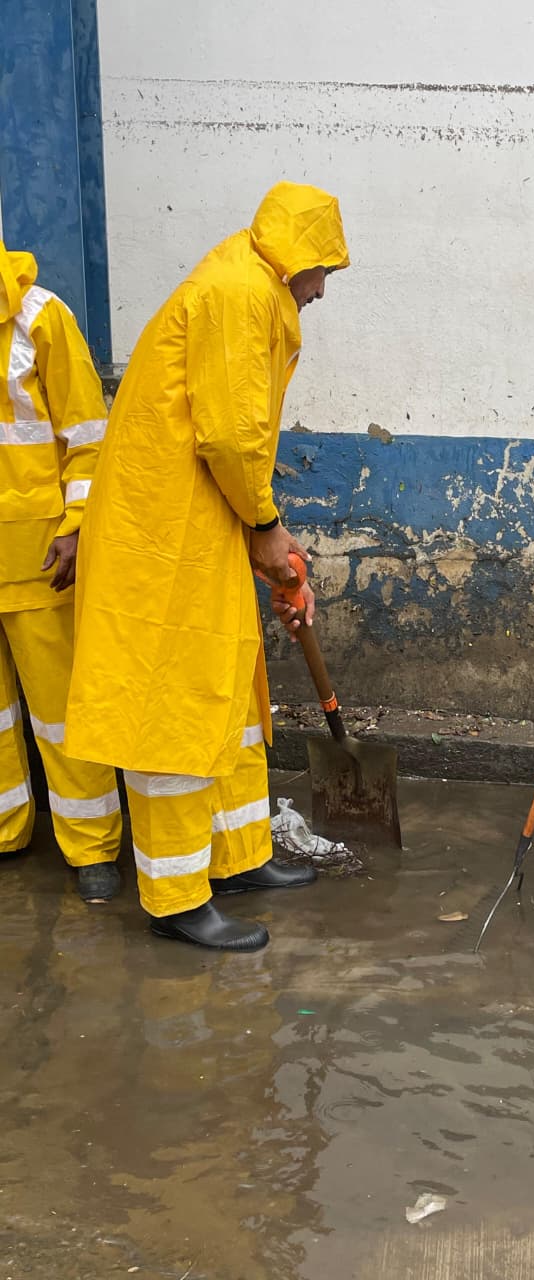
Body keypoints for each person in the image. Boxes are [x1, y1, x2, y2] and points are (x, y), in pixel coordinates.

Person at [65, 182, 350, 951]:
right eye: (324, 270)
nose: (323, 289)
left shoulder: (247, 285)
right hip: (166, 535)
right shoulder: (235, 292)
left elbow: (234, 440)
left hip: (199, 521)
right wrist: (264, 523)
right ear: (296, 258)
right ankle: (176, 897)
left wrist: (269, 543)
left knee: (227, 683)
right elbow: (230, 436)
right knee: (177, 704)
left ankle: (237, 853)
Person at [0, 240, 122, 899]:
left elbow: (87, 436)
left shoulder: (42, 319)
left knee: (61, 711)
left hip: (37, 558)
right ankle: (4, 832)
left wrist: (76, 529)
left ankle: (92, 849)